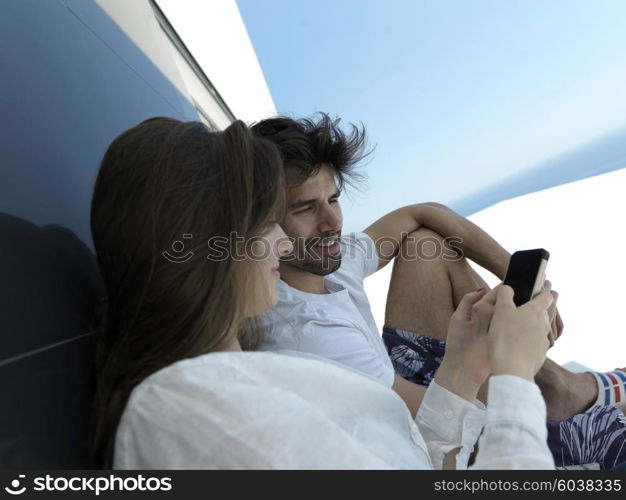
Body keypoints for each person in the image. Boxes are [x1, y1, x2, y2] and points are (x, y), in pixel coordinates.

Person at [90, 117, 554, 469]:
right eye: (266, 221)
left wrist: (464, 366)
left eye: (332, 200)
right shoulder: (191, 409)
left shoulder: (230, 383)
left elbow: (404, 455)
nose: (281, 241)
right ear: (204, 248)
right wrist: (513, 374)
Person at [252, 113, 626, 469]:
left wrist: (512, 272)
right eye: (305, 208)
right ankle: (559, 410)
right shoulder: (308, 336)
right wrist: (513, 354)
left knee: (422, 245)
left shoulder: (327, 262)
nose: (332, 222)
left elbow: (422, 212)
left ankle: (557, 387)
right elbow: (431, 427)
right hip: (430, 440)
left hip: (399, 390)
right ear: (265, 221)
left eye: (333, 199)